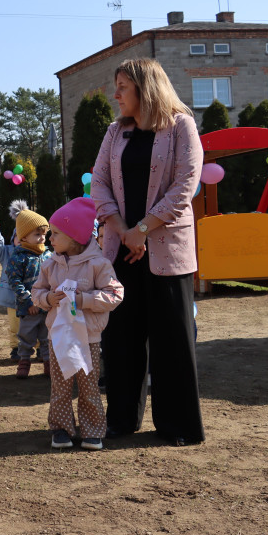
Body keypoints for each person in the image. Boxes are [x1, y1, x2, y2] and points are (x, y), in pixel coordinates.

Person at [91, 57, 205, 447]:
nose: (116, 93)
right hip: (121, 249)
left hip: (166, 250)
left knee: (172, 338)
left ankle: (178, 426)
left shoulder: (181, 126)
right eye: (117, 85)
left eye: (123, 85)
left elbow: (185, 186)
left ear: (146, 88)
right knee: (121, 338)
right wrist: (123, 231)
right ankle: (122, 419)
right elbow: (100, 184)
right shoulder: (114, 132)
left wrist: (143, 229)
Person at [32, 197, 124, 451]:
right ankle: (61, 430)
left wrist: (84, 299)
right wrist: (48, 299)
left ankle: (93, 431)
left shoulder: (99, 264)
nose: (50, 239)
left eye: (56, 234)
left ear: (74, 237)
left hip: (88, 338)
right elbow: (36, 292)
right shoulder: (50, 264)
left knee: (88, 386)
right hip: (59, 337)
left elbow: (115, 294)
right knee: (60, 386)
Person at [5, 209, 53, 379]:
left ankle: (49, 363)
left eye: (44, 233)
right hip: (29, 308)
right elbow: (15, 281)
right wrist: (29, 301)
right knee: (26, 335)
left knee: (47, 337)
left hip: (48, 305)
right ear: (24, 236)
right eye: (37, 234)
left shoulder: (48, 255)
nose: (42, 238)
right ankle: (24, 361)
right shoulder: (19, 257)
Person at [0, 199, 29, 362]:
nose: (20, 240)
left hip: (31, 297)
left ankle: (41, 348)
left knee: (36, 323)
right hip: (13, 297)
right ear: (12, 239)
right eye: (17, 237)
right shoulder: (7, 252)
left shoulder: (33, 254)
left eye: (23, 237)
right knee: (14, 325)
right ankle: (15, 348)